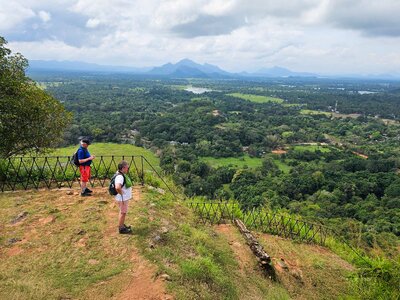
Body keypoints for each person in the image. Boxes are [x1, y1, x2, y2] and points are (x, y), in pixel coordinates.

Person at [114, 160, 133, 234]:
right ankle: (121, 228)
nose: (128, 169)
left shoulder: (120, 174)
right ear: (123, 168)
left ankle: (121, 225)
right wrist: (122, 195)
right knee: (123, 213)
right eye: (127, 168)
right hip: (122, 199)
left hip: (122, 198)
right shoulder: (120, 177)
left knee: (122, 212)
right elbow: (118, 187)